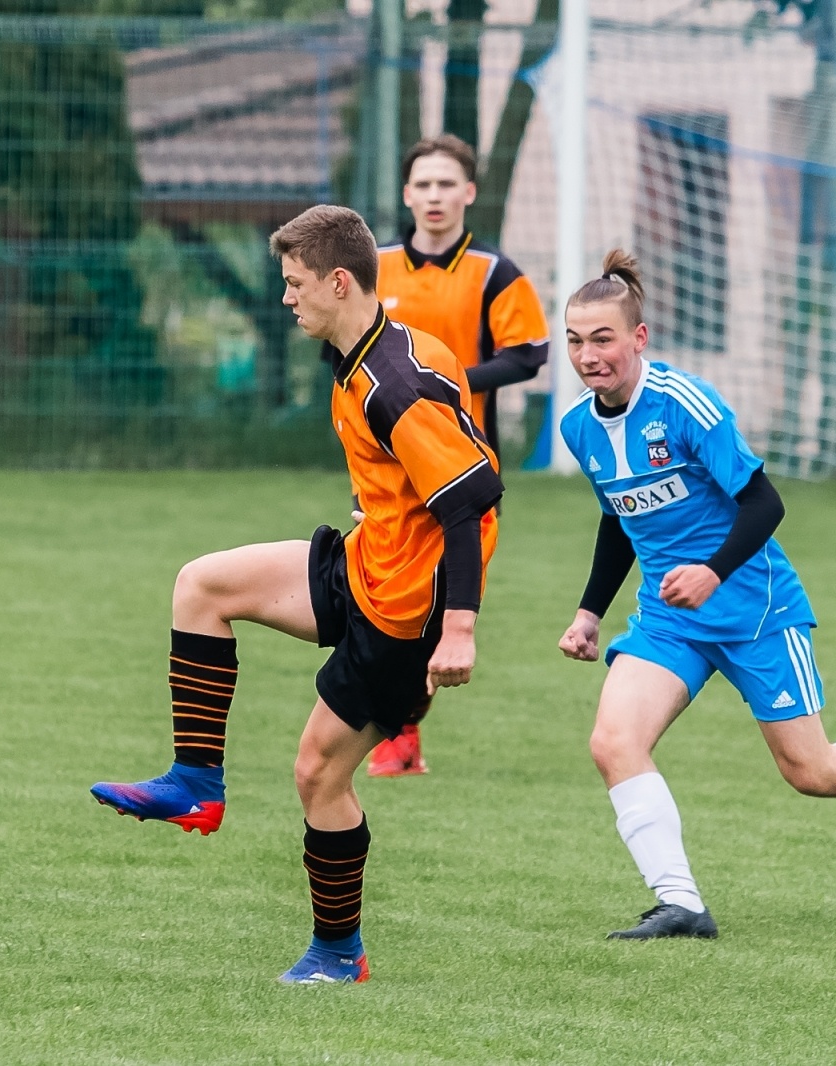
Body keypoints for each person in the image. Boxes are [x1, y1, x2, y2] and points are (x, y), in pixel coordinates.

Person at [90, 205, 503, 982]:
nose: (286, 298)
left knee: (318, 776)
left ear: (338, 281)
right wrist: (386, 509)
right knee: (201, 587)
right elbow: (450, 460)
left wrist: (459, 629)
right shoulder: (374, 349)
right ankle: (193, 783)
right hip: (365, 562)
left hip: (404, 620)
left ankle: (337, 954)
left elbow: (470, 498)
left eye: (295, 283)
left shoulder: (394, 382)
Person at [555, 249, 836, 941]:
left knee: (813, 772)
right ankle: (681, 904)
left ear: (638, 338)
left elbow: (764, 504)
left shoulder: (684, 405)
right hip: (670, 620)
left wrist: (711, 569)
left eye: (603, 338)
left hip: (753, 608)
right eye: (576, 341)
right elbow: (620, 519)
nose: (589, 355)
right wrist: (589, 613)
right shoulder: (579, 427)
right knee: (614, 741)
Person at [366, 133, 550, 777]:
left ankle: (400, 728)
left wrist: (452, 380)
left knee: (442, 608)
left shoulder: (494, 273)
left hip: (464, 471)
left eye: (449, 184)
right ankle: (394, 727)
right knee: (384, 603)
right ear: (407, 194)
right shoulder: (376, 268)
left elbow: (529, 354)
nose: (436, 196)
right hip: (387, 470)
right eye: (425, 184)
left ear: (469, 193)